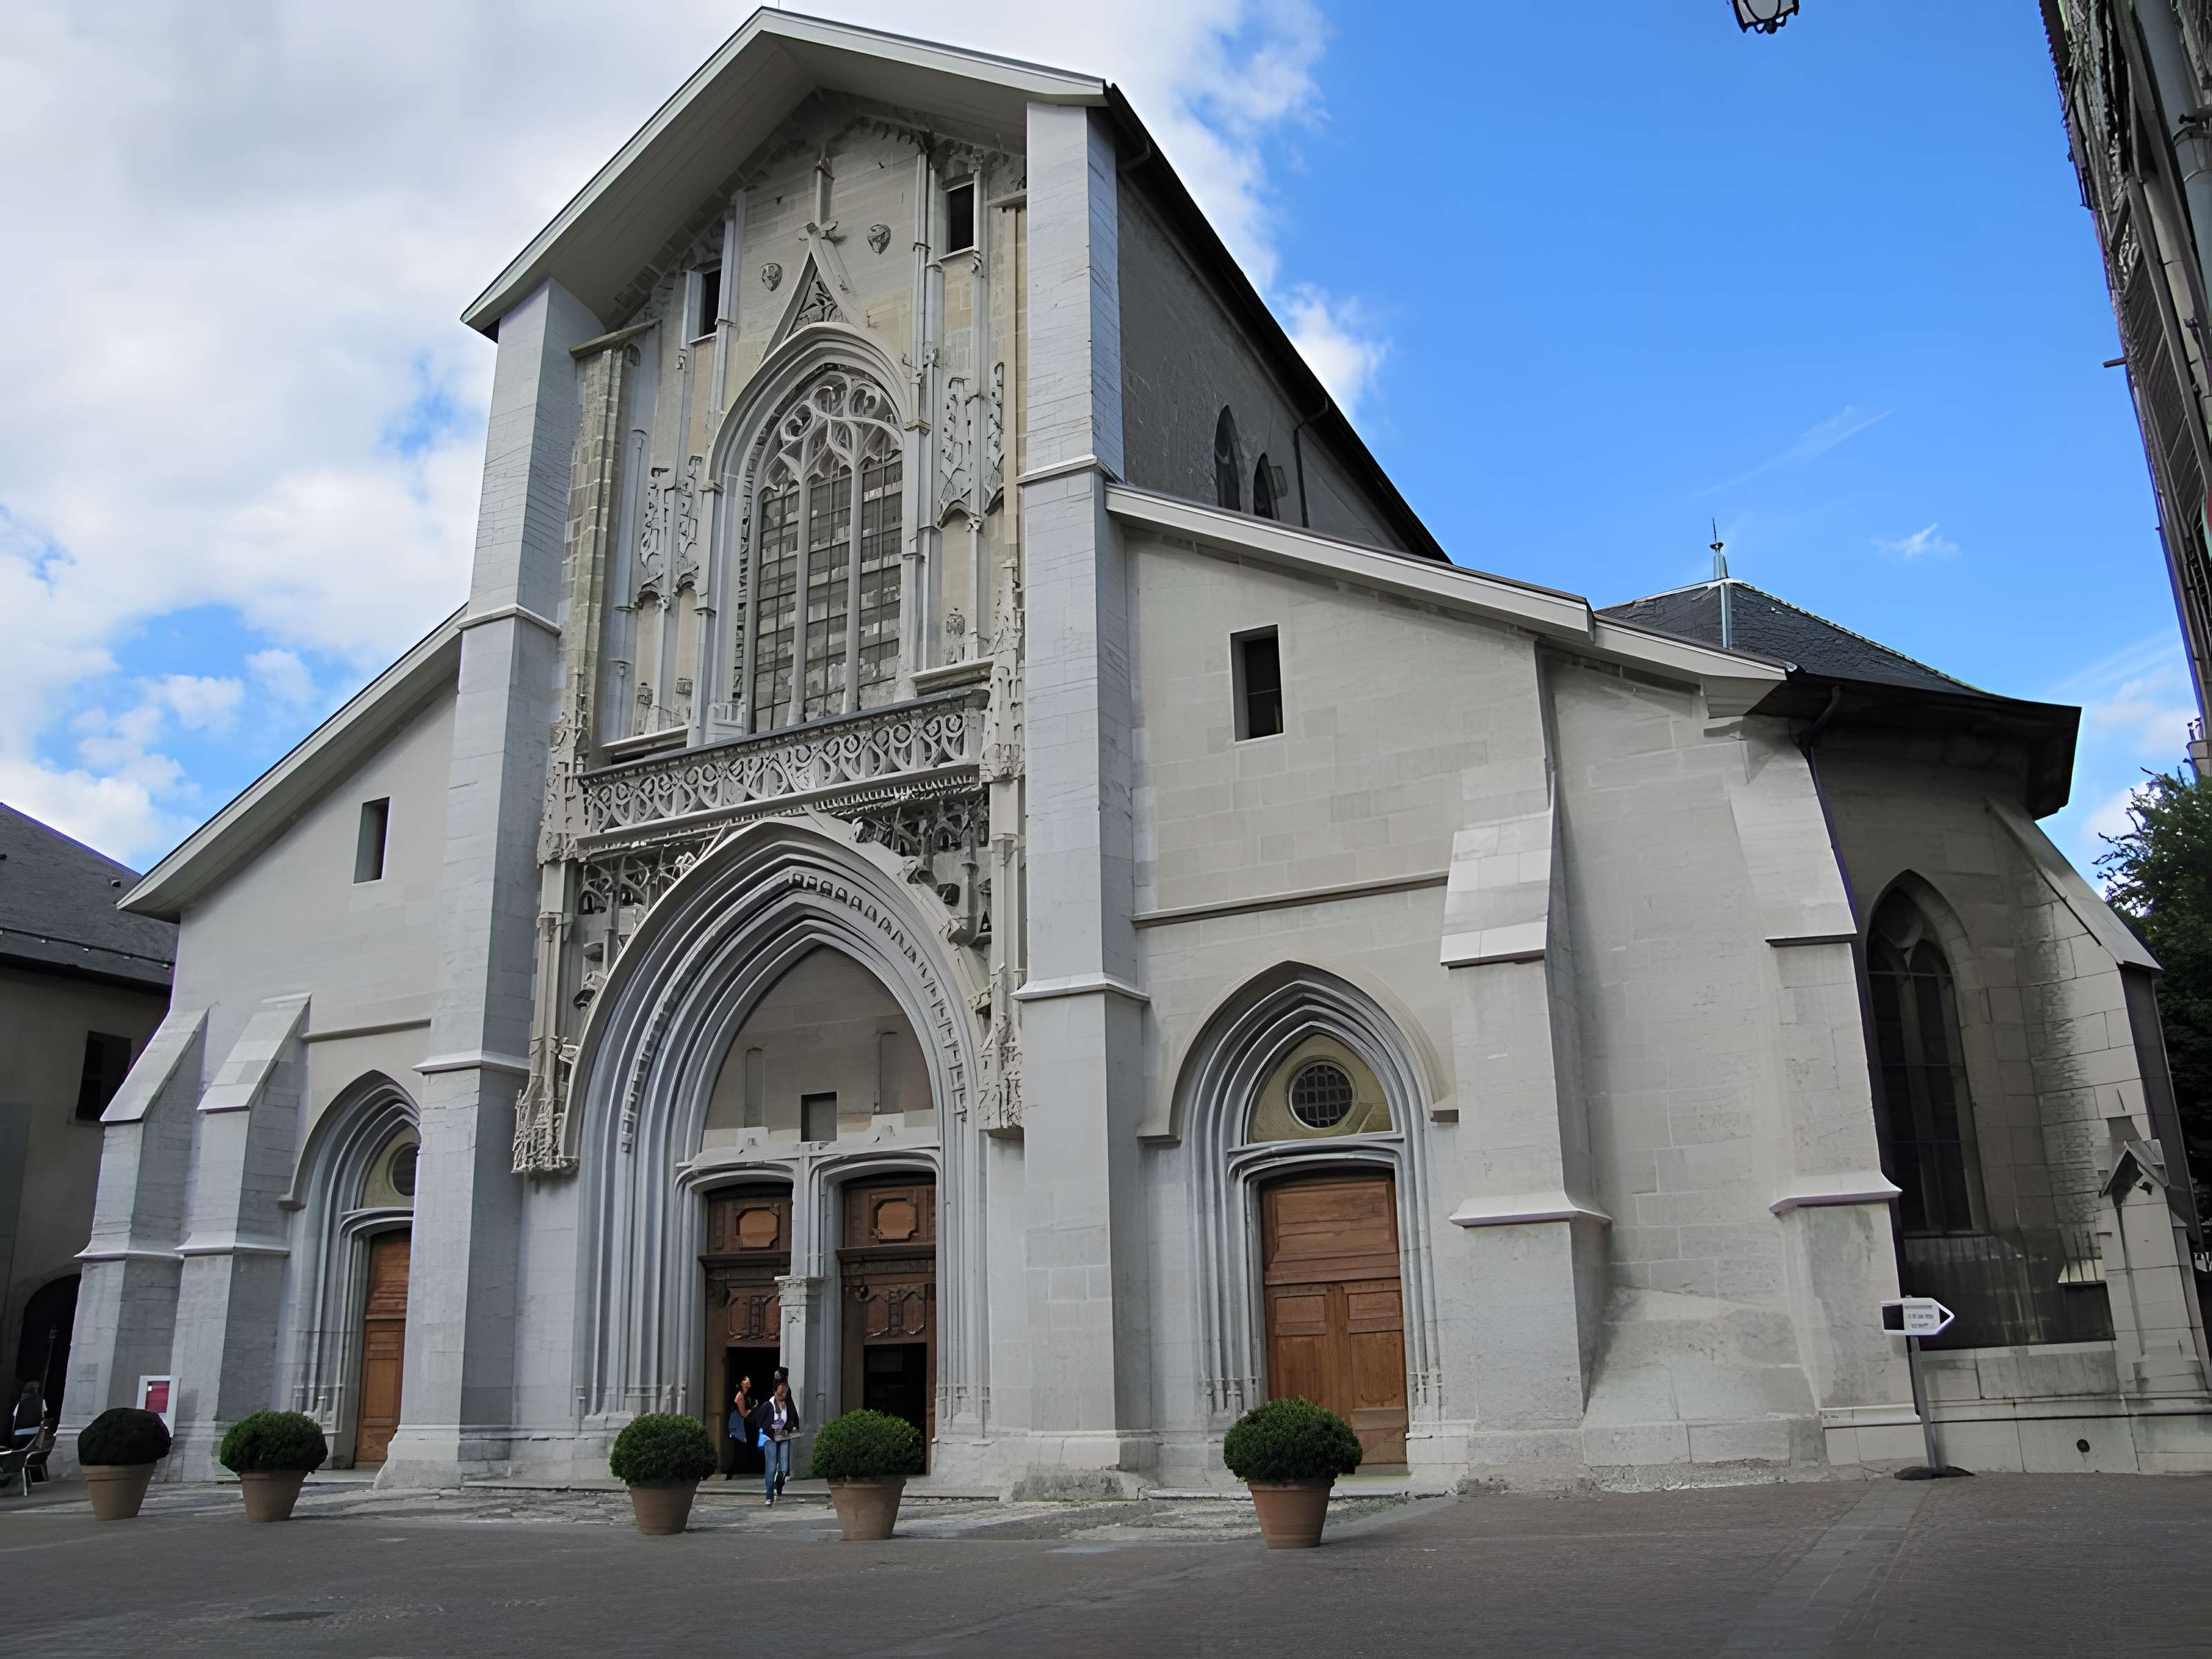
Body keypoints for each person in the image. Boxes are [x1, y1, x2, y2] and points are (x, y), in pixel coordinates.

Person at [753, 1378, 799, 1505]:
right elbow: (758, 1420)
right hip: (770, 1438)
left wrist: (793, 1429)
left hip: (784, 1437)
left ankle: (778, 1486)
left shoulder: (788, 1405)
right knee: (771, 1467)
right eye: (782, 1386)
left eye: (786, 1386)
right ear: (775, 1389)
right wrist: (770, 1433)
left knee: (784, 1468)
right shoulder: (769, 1405)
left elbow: (794, 1419)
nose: (784, 1388)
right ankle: (769, 1496)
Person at [724, 1375, 757, 1481]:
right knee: (738, 1448)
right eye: (746, 1386)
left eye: (748, 1386)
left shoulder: (742, 1396)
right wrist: (753, 1409)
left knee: (738, 1447)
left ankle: (733, 1471)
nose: (748, 1388)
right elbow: (743, 1414)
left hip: (736, 1423)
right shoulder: (741, 1397)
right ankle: (732, 1471)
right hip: (737, 1423)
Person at [9, 1385, 41, 1451]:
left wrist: (13, 1436)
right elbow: (43, 1419)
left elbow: (15, 1420)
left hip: (19, 1433)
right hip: (35, 1432)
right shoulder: (41, 1402)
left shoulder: (21, 1403)